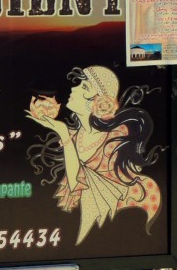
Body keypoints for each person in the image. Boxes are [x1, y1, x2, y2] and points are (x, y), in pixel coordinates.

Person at [27, 65, 162, 245]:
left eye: (84, 87)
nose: (73, 88)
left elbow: (80, 185)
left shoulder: (116, 136)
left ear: (98, 102)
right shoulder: (76, 135)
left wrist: (63, 132)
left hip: (122, 219)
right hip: (88, 225)